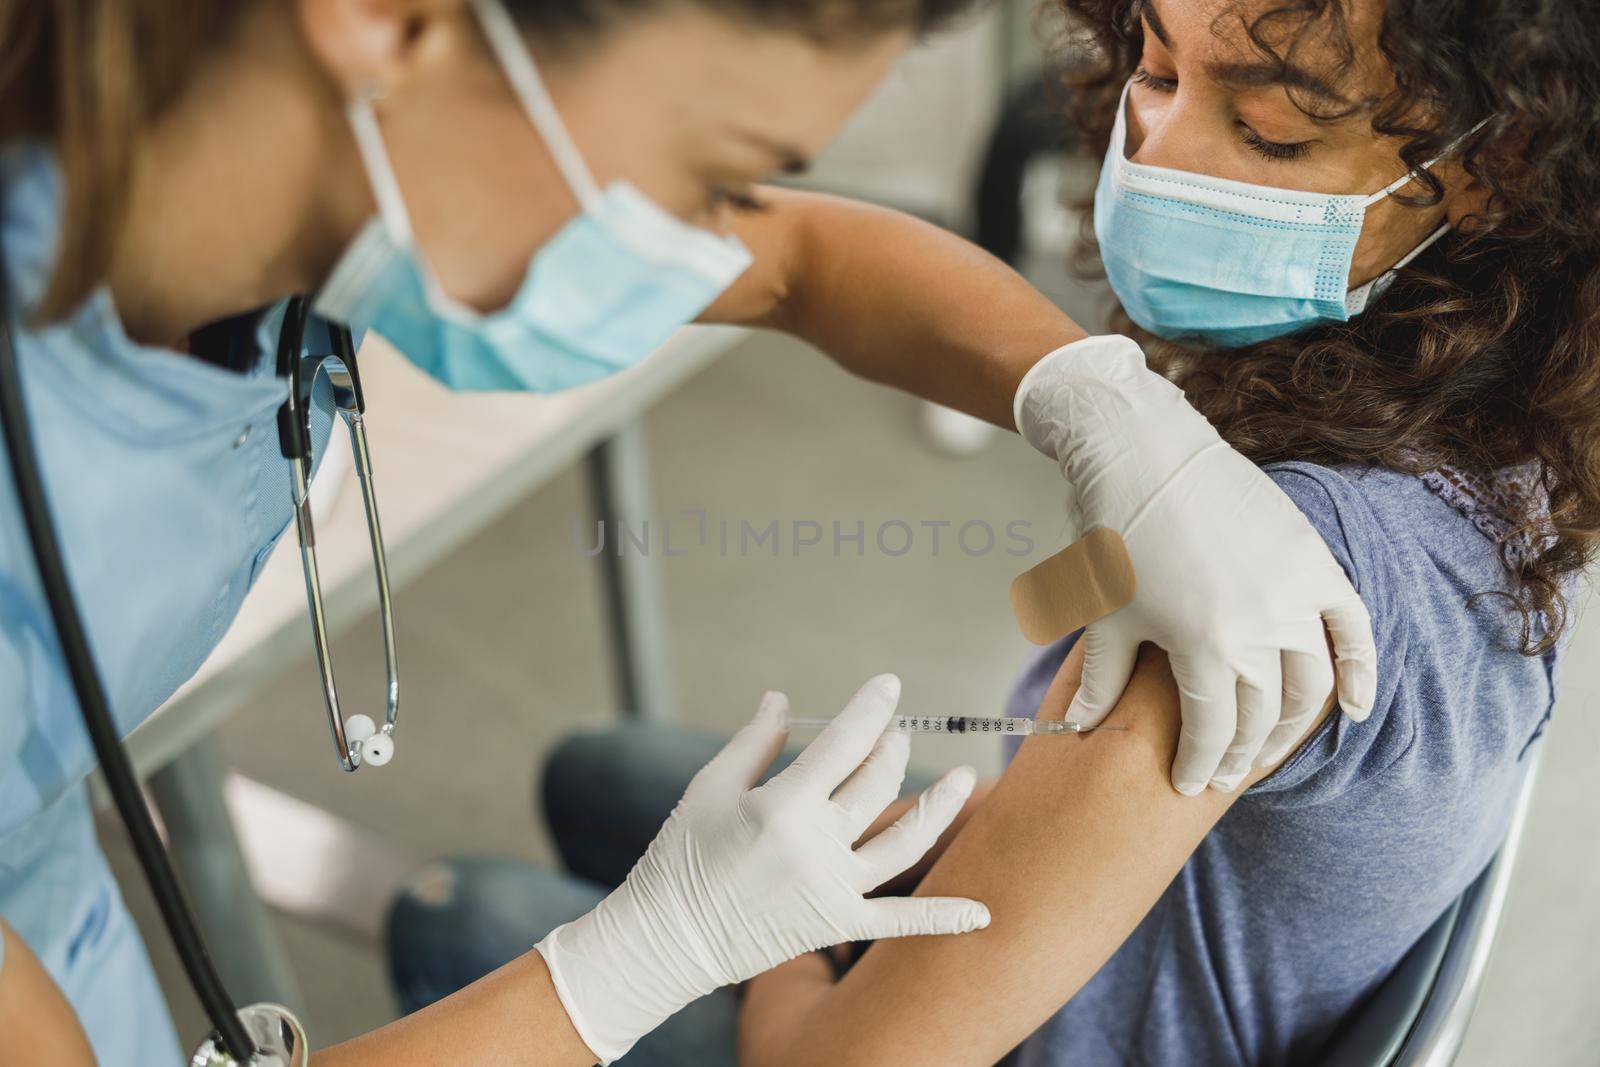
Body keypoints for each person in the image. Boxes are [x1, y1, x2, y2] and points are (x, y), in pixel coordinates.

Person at [0, 0, 1378, 1062]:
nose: (707, 241)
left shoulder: (281, 169)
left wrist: (1107, 409)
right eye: (710, 170)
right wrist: (638, 959)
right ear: (387, 24)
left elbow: (804, 266)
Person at [397, 0, 1597, 1062]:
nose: (1162, 156)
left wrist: (756, 944)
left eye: (1271, 131)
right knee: (593, 771)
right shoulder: (1488, 432)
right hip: (1136, 932)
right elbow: (804, 264)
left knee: (452, 911)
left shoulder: (1253, 592)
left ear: (1486, 161)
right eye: (1157, 69)